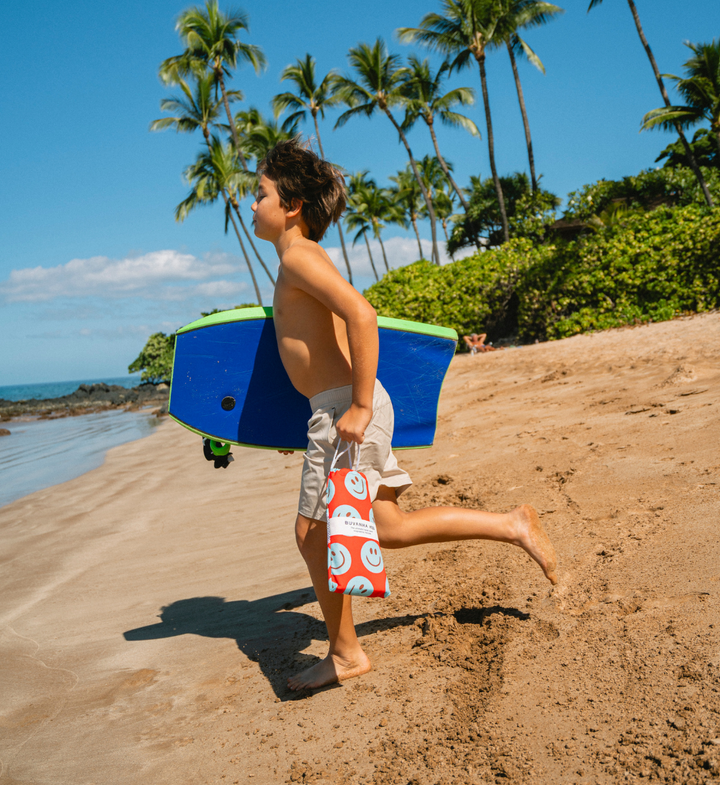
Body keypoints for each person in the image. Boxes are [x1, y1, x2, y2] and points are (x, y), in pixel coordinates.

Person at [251, 139, 558, 692]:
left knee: (311, 533)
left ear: (291, 206)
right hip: (340, 406)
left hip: (347, 408)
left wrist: (358, 407)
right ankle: (512, 525)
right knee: (387, 527)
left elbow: (362, 317)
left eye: (260, 194)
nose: (252, 205)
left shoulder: (298, 257)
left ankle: (345, 653)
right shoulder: (304, 258)